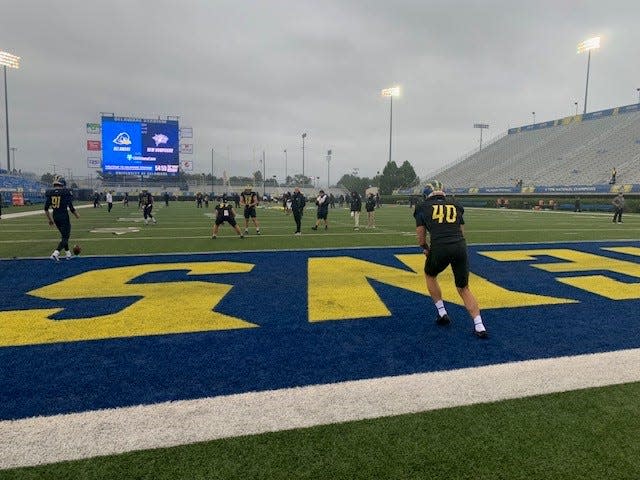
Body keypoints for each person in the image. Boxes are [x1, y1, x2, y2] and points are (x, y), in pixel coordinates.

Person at [413, 180, 488, 338]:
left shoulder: (422, 207)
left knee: (430, 274)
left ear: (426, 194)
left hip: (440, 247)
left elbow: (420, 237)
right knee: (463, 288)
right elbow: (462, 231)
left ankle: (442, 312)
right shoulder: (455, 204)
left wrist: (426, 249)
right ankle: (479, 325)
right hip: (460, 246)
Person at [44, 177, 80, 261]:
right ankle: (55, 253)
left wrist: (50, 220)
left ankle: (68, 253)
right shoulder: (65, 193)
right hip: (63, 216)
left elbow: (45, 209)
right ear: (62, 185)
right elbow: (71, 207)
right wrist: (76, 215)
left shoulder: (50, 193)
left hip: (55, 216)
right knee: (66, 237)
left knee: (64, 236)